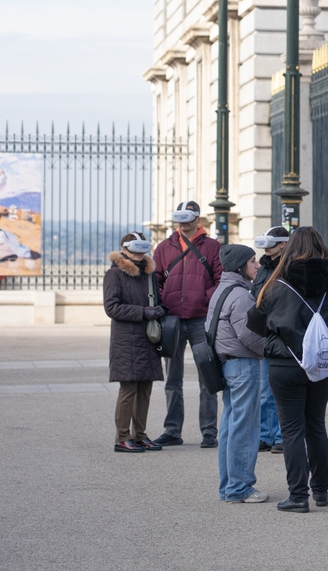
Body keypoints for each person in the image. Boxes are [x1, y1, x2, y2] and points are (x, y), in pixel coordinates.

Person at [247, 227, 328, 512]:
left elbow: (255, 320)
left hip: (285, 364)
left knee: (291, 430)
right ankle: (321, 490)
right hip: (320, 365)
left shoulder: (277, 284)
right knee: (316, 426)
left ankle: (298, 496)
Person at [152, 201, 223, 448]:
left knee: (207, 377)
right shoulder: (163, 248)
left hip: (200, 318)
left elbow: (220, 279)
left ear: (197, 218)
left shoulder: (213, 247)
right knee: (172, 379)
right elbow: (155, 281)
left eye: (187, 218)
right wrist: (163, 303)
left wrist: (203, 298)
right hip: (172, 319)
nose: (183, 223)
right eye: (179, 218)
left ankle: (209, 432)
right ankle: (172, 430)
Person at [210, 244, 268, 504]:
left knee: (230, 427)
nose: (257, 266)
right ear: (240, 266)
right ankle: (240, 488)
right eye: (253, 261)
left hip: (228, 364)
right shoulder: (241, 296)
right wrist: (272, 348)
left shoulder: (222, 290)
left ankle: (229, 487)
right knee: (245, 428)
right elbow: (250, 336)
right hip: (244, 364)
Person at [103, 232, 164, 453]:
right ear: (124, 250)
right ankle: (122, 436)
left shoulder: (148, 274)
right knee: (128, 388)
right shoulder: (115, 274)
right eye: (134, 251)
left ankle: (139, 434)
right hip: (126, 338)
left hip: (147, 336)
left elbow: (157, 299)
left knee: (145, 388)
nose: (139, 256)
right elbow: (111, 308)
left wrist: (158, 309)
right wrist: (144, 312)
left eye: (142, 251)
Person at [252, 226, 289, 454]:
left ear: (283, 244)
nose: (266, 249)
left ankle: (281, 436)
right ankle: (265, 435)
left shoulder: (289, 267)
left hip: (283, 333)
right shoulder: (263, 266)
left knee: (280, 389)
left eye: (271, 244)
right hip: (265, 332)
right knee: (265, 389)